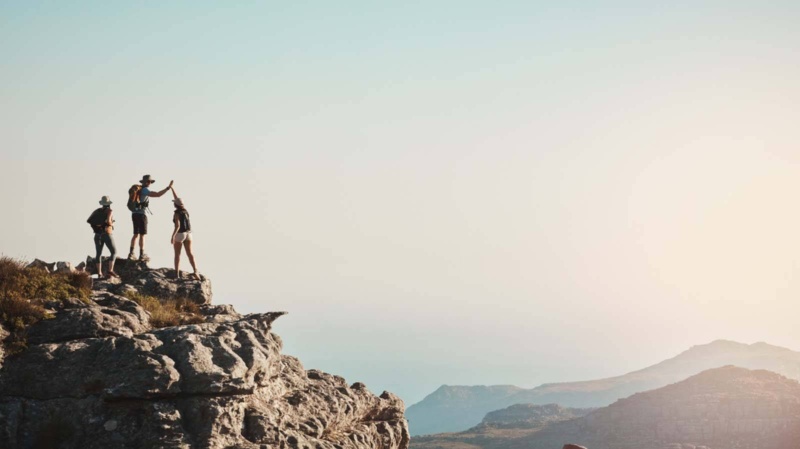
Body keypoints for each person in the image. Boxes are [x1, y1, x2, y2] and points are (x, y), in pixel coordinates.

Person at [129, 174, 173, 261]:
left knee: (135, 234)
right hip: (142, 214)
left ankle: (131, 253)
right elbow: (157, 194)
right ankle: (141, 255)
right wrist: (167, 188)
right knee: (142, 235)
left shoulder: (138, 189)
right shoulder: (144, 190)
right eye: (149, 181)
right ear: (145, 182)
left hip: (134, 213)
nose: (150, 183)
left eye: (150, 182)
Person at [169, 188, 200, 280]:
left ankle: (177, 275)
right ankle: (196, 271)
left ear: (175, 205)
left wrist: (172, 236)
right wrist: (172, 189)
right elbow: (177, 199)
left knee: (177, 254)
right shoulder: (185, 211)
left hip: (180, 234)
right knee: (190, 253)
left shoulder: (176, 213)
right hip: (189, 234)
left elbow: (177, 226)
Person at [87, 195, 118, 278]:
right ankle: (110, 270)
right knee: (114, 252)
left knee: (98, 254)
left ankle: (99, 273)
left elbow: (89, 220)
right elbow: (108, 221)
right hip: (107, 234)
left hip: (97, 235)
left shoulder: (97, 211)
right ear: (108, 203)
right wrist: (112, 223)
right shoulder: (109, 211)